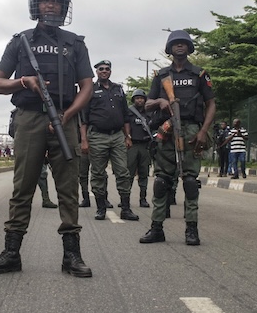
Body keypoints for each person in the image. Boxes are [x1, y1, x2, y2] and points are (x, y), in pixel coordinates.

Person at [0, 0, 94, 277]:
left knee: (68, 189)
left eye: (56, 1)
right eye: (45, 0)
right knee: (23, 188)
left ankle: (72, 256)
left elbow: (87, 86)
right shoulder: (20, 41)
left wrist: (69, 114)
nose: (51, 5)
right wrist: (24, 82)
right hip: (29, 118)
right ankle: (11, 252)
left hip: (65, 119)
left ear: (64, 7)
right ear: (35, 5)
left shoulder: (75, 43)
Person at [139, 29, 216, 247]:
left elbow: (211, 104)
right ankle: (156, 228)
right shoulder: (161, 75)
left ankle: (191, 229)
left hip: (191, 129)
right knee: (162, 181)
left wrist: (203, 131)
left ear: (189, 48)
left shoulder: (199, 74)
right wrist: (160, 102)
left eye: (183, 43)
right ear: (170, 49)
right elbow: (147, 103)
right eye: (176, 44)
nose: (180, 46)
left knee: (190, 182)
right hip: (167, 130)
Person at [83, 59, 138, 221]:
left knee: (123, 171)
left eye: (107, 69)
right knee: (98, 173)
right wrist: (84, 140)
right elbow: (84, 118)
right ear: (97, 72)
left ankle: (126, 209)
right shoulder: (90, 90)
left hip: (117, 136)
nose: (104, 71)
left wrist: (128, 137)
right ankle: (101, 208)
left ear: (111, 71)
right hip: (97, 136)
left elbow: (126, 116)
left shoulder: (118, 89)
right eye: (101, 69)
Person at [126, 88, 153, 208]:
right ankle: (125, 199)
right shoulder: (129, 113)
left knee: (144, 174)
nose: (139, 100)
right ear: (133, 100)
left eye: (141, 98)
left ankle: (143, 199)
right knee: (129, 174)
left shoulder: (149, 114)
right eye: (137, 98)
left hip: (145, 146)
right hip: (132, 145)